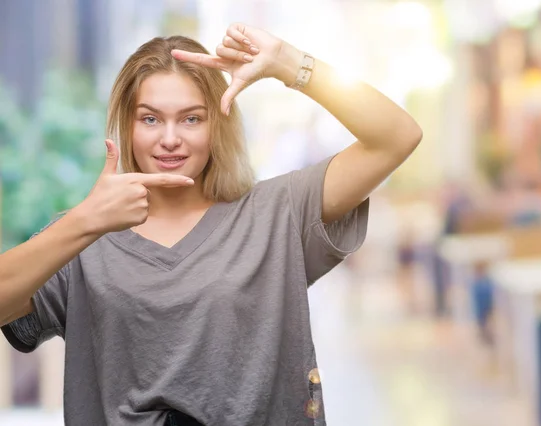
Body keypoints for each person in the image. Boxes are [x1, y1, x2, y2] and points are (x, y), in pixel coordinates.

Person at [0, 23, 422, 425]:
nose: (169, 138)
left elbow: (397, 136)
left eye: (191, 118)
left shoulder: (278, 211)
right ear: (126, 127)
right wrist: (85, 221)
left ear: (217, 124)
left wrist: (288, 63)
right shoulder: (84, 236)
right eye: (150, 119)